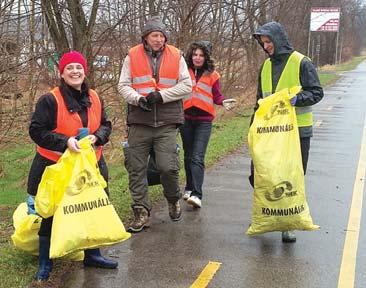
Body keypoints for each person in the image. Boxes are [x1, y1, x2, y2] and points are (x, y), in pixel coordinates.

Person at [27, 51, 118, 281]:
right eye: (70, 68)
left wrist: (98, 137)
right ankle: (45, 263)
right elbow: (36, 131)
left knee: (92, 209)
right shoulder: (50, 100)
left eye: (79, 67)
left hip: (92, 165)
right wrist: (65, 141)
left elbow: (106, 124)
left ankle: (93, 254)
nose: (75, 71)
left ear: (84, 71)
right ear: (62, 73)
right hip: (55, 166)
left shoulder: (95, 97)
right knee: (51, 214)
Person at [118, 16, 192, 233]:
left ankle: (172, 198)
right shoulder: (131, 56)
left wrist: (161, 96)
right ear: (146, 38)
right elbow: (123, 85)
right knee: (136, 169)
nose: (158, 39)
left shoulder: (177, 55)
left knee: (167, 167)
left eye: (161, 35)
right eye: (154, 35)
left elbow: (187, 85)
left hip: (167, 122)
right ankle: (141, 211)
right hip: (139, 122)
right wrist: (137, 99)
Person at [251, 21, 324, 242]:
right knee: (261, 175)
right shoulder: (265, 66)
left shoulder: (302, 62)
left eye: (268, 41)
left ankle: (288, 223)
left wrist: (296, 100)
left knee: (291, 177)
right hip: (269, 132)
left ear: (278, 39)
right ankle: (266, 215)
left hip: (297, 132)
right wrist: (253, 127)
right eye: (263, 43)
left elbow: (317, 92)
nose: (266, 46)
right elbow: (259, 100)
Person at [181, 41, 237, 208]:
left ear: (206, 57)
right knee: (188, 156)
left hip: (204, 121)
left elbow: (216, 96)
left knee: (197, 157)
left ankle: (197, 195)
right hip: (185, 119)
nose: (198, 58)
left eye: (201, 55)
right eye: (195, 54)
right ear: (191, 56)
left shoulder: (213, 75)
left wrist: (223, 102)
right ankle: (189, 188)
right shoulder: (183, 72)